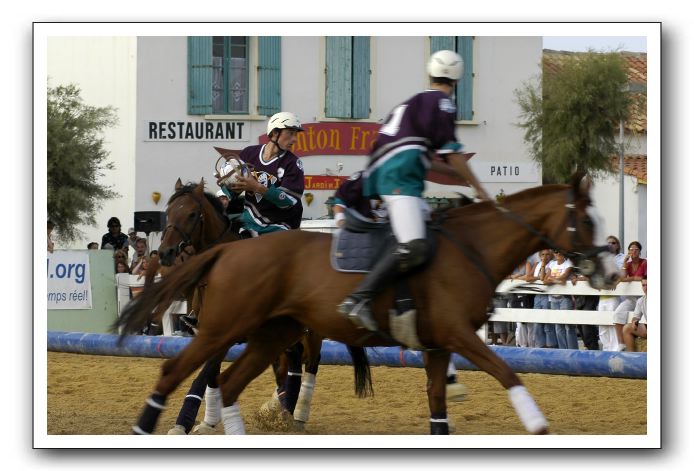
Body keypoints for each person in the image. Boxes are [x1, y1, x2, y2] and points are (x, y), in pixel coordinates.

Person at [338, 49, 491, 331]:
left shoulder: (414, 103)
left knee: (434, 231)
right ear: (457, 79)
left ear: (431, 74)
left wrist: (459, 174)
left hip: (388, 172)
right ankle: (358, 299)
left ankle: (410, 301)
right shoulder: (443, 103)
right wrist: (480, 189)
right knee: (415, 245)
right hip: (399, 178)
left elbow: (430, 160)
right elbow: (452, 154)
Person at [332, 171, 467, 400]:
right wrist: (340, 220)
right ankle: (361, 300)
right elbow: (340, 200)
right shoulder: (365, 179)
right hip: (368, 233)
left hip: (393, 233)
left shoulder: (405, 183)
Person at [217, 111, 305, 237]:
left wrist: (257, 187)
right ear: (275, 132)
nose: (295, 139)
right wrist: (228, 186)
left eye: (296, 134)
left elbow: (288, 201)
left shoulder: (293, 164)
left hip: (280, 226)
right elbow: (233, 191)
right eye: (290, 133)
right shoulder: (249, 153)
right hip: (250, 224)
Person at [613, 240, 647, 350]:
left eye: (636, 249)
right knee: (618, 313)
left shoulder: (644, 262)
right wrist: (624, 263)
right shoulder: (627, 264)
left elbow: (643, 278)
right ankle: (621, 344)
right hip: (632, 298)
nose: (633, 251)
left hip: (643, 297)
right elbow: (622, 277)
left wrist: (630, 278)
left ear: (640, 251)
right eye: (631, 249)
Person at [596, 235, 626, 351]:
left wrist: (614, 280)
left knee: (613, 323)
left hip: (615, 296)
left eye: (613, 243)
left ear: (618, 245)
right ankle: (606, 350)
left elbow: (622, 274)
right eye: (608, 243)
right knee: (602, 324)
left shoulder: (622, 258)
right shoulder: (601, 259)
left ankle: (615, 350)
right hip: (602, 296)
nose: (610, 245)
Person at [546, 250, 578, 349]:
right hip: (553, 297)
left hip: (565, 297)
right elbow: (545, 280)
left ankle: (572, 350)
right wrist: (558, 280)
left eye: (560, 251)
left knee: (568, 326)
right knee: (558, 326)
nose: (558, 254)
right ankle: (563, 350)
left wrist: (552, 279)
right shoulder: (551, 264)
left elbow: (564, 278)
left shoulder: (568, 263)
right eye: (556, 252)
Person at [528, 249, 557, 348]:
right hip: (538, 295)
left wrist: (543, 265)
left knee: (547, 323)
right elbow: (528, 278)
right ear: (540, 256)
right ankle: (540, 346)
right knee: (537, 322)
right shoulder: (537, 264)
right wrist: (537, 277)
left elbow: (543, 278)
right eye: (543, 254)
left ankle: (551, 346)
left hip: (547, 296)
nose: (545, 256)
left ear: (551, 256)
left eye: (547, 254)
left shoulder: (553, 264)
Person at [623, 277, 647, 352]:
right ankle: (632, 356)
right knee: (627, 328)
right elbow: (636, 317)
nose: (645, 288)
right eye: (643, 285)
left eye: (647, 285)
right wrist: (634, 322)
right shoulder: (641, 300)